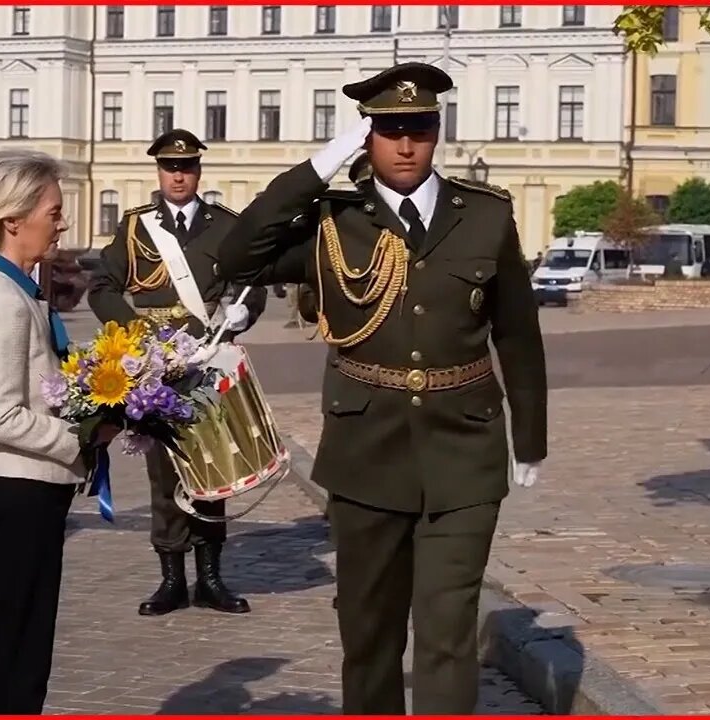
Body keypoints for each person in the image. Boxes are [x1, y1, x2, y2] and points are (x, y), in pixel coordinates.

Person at [216, 62, 548, 715]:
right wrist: (316, 169)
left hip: (465, 449)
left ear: (437, 132)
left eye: (418, 129)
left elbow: (517, 333)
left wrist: (530, 437)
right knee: (368, 634)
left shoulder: (484, 216)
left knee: (448, 633)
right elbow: (234, 257)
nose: (405, 145)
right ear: (368, 137)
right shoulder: (333, 221)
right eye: (389, 130)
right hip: (366, 450)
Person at [0, 148, 118, 715]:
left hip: (27, 494)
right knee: (12, 657)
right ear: (12, 219)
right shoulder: (2, 301)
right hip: (14, 496)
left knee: (22, 652)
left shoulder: (19, 290)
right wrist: (81, 438)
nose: (63, 222)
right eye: (53, 211)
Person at [87, 128, 268, 617]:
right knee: (164, 473)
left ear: (198, 172)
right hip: (156, 369)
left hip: (207, 362)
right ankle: (171, 580)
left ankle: (211, 578)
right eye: (170, 167)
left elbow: (253, 284)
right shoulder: (135, 228)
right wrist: (133, 331)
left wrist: (241, 316)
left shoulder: (226, 226)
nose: (179, 175)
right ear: (159, 172)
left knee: (213, 464)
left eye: (187, 168)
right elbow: (101, 285)